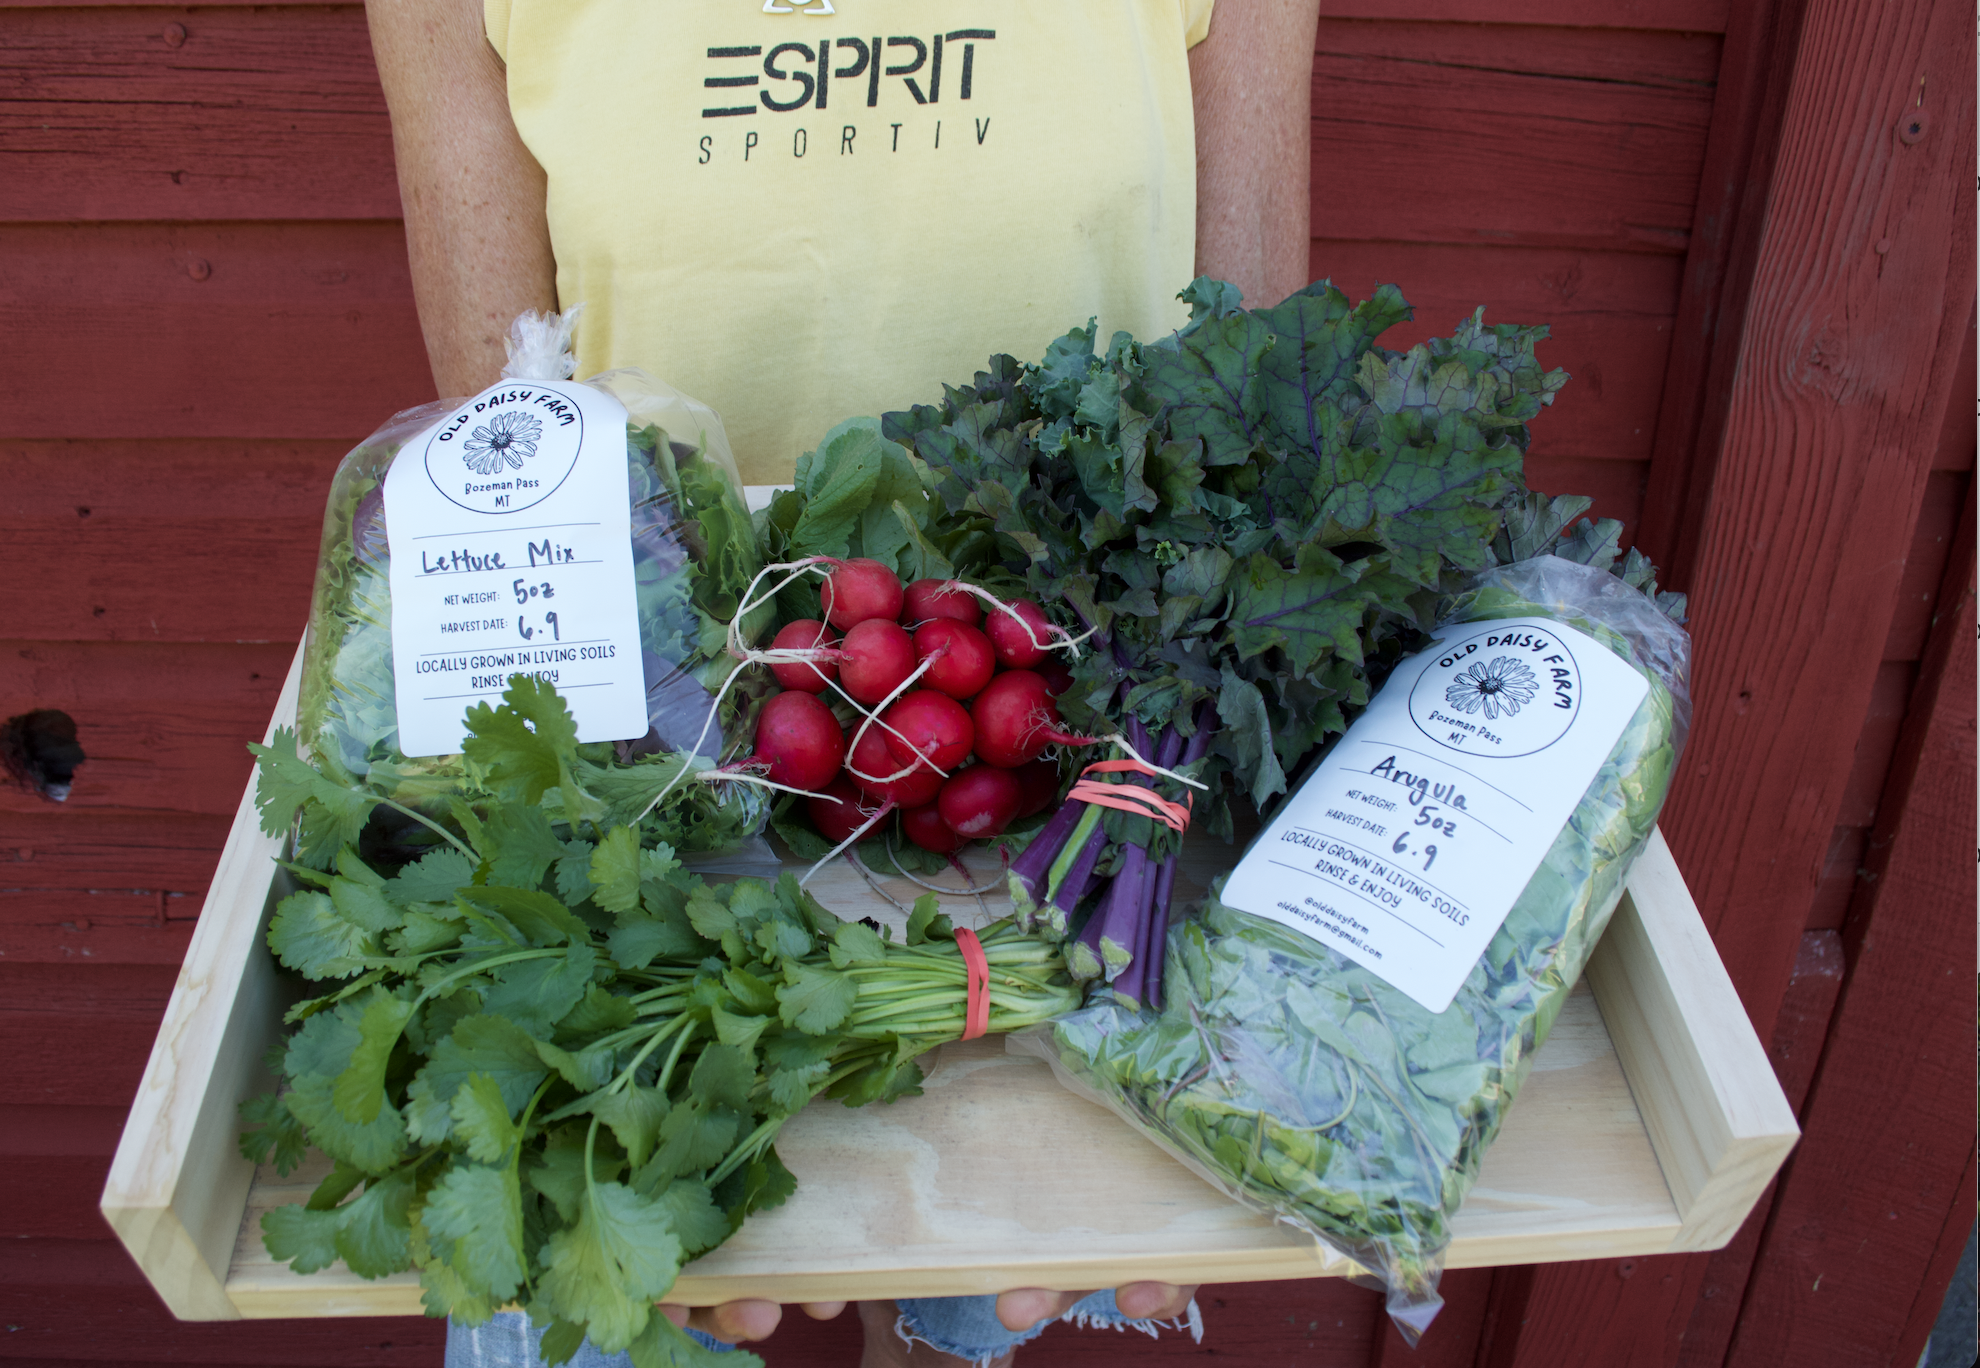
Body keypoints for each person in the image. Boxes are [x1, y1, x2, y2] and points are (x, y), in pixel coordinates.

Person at [365, 0, 1320, 1362]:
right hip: (666, 758)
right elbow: (505, 427)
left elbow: (1245, 366)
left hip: (1070, 781)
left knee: (998, 1306)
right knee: (580, 1246)